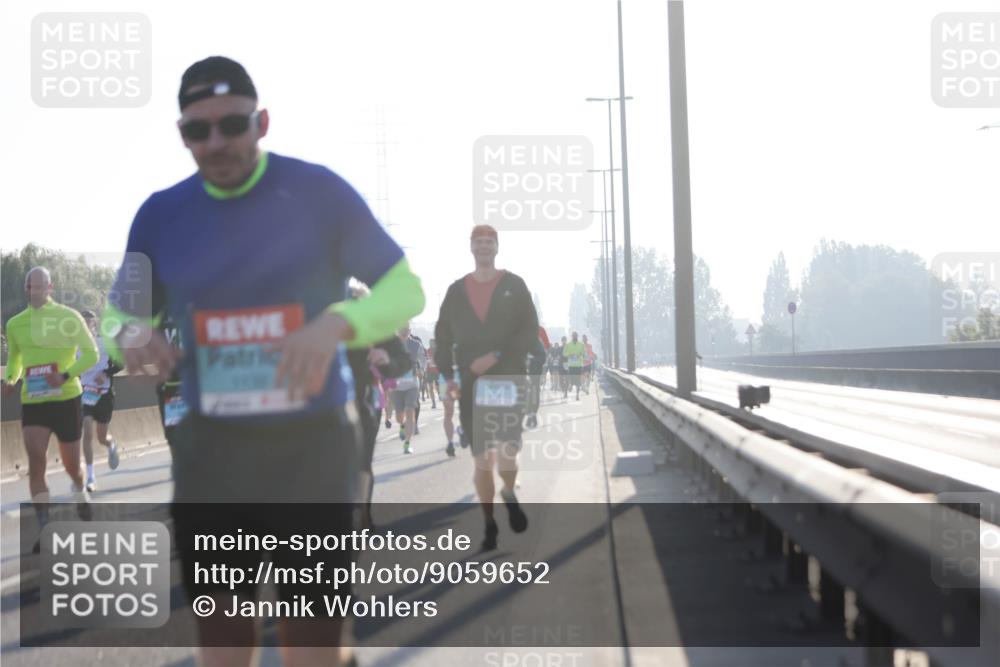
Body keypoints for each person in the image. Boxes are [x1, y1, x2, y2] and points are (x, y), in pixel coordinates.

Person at [101, 56, 424, 667]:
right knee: (224, 647)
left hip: (311, 448)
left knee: (311, 648)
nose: (215, 141)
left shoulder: (318, 192)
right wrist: (132, 332)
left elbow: (404, 289)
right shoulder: (161, 215)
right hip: (212, 454)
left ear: (263, 122)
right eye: (198, 130)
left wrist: (337, 323)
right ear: (182, 135)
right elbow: (119, 315)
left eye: (232, 124)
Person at [434, 225, 539, 550]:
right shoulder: (456, 291)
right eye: (478, 242)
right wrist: (449, 376)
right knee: (482, 459)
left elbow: (530, 330)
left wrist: (496, 356)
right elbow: (442, 337)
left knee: (507, 454)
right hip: (471, 385)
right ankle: (489, 524)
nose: (483, 247)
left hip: (508, 378)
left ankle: (508, 490)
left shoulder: (514, 285)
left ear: (497, 247)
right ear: (471, 247)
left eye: (489, 242)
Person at [2, 267, 98, 546]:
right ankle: (45, 526)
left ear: (50, 288)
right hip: (34, 401)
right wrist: (10, 379)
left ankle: (80, 490)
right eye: (30, 286)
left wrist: (66, 375)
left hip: (66, 398)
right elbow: (15, 360)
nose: (34, 291)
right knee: (36, 462)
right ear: (26, 289)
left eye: (40, 286)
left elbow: (91, 354)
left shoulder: (69, 317)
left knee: (71, 465)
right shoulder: (15, 323)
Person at [346, 285, 414, 529]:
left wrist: (387, 362)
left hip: (363, 399)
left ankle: (362, 514)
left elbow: (403, 359)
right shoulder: (316, 313)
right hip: (322, 404)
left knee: (361, 461)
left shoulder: (372, 318)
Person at [78, 310, 122, 491]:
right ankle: (90, 477)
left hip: (104, 393)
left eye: (89, 321)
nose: (86, 324)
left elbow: (121, 363)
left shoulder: (104, 342)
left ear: (95, 324)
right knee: (87, 430)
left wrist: (105, 373)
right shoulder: (75, 344)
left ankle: (111, 445)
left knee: (101, 437)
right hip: (86, 393)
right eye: (83, 321)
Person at [392, 325, 423, 453]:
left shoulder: (416, 344)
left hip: (412, 384)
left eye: (406, 329)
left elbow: (423, 359)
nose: (404, 332)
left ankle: (407, 443)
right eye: (401, 329)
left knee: (410, 411)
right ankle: (402, 425)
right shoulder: (392, 344)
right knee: (399, 416)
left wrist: (422, 370)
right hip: (397, 385)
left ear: (410, 331)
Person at [563, 332, 587, 400]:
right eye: (573, 336)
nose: (574, 337)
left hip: (579, 365)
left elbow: (584, 353)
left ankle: (577, 395)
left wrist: (580, 354)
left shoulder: (581, 344)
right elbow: (564, 353)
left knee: (578, 381)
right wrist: (569, 354)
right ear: (571, 336)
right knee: (569, 379)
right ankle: (566, 391)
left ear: (577, 336)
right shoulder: (568, 344)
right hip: (571, 365)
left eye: (575, 336)